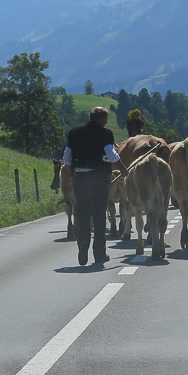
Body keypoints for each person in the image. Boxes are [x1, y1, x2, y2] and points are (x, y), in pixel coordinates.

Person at [64, 107, 129, 266]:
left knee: (83, 212)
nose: (106, 121)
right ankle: (99, 254)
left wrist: (73, 171)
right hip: (99, 179)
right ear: (101, 119)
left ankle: (83, 243)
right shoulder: (105, 134)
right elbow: (111, 155)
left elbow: (66, 158)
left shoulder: (74, 132)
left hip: (80, 179)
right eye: (106, 118)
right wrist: (123, 169)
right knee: (99, 215)